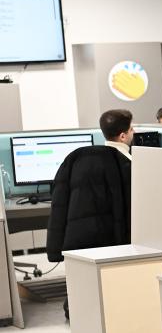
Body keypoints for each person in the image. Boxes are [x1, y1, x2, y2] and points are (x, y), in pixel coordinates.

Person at [46, 109, 135, 318]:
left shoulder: (76, 158)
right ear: (123, 135)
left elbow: (59, 202)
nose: (134, 132)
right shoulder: (128, 165)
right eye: (132, 129)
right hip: (113, 243)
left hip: (79, 240)